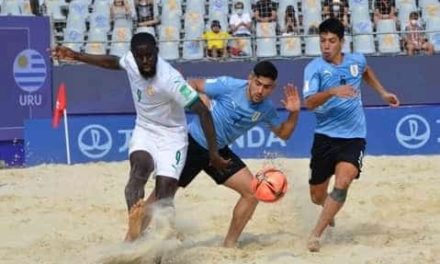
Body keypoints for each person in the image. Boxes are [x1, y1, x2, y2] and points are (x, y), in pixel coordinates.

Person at [51, 32, 229, 242]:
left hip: (173, 138)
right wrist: (75, 55)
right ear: (134, 55)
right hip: (145, 129)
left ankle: (162, 244)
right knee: (139, 170)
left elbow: (203, 111)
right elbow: (113, 62)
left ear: (157, 52)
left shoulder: (170, 79)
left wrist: (214, 153)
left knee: (164, 194)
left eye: (149, 56)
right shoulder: (131, 62)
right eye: (140, 57)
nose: (145, 62)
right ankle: (135, 230)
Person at [132, 60, 301, 247]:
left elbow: (284, 134)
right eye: (258, 84)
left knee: (252, 193)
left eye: (267, 87)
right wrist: (197, 96)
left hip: (218, 152)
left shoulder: (266, 109)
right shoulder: (229, 85)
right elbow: (193, 83)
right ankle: (130, 242)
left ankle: (229, 245)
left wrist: (294, 113)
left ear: (273, 88)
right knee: (160, 196)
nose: (260, 91)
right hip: (193, 145)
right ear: (250, 78)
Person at [302, 18, 400, 252]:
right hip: (325, 137)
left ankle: (316, 235)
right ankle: (327, 207)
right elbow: (310, 103)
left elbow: (366, 71)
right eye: (322, 41)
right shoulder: (314, 68)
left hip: (353, 136)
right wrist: (332, 91)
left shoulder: (356, 60)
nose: (326, 45)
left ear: (341, 42)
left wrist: (383, 93)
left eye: (331, 41)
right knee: (316, 195)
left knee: (343, 181)